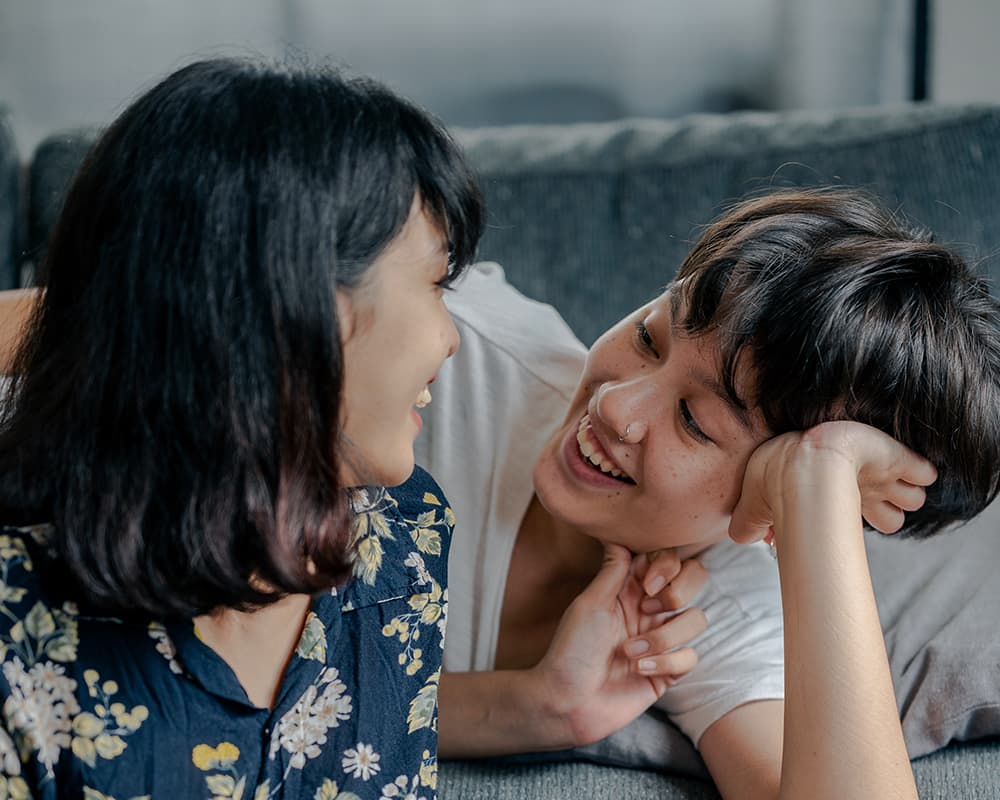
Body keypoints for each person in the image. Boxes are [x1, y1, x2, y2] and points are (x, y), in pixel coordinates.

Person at [0, 56, 500, 799]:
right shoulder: (18, 636)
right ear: (302, 315)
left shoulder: (407, 540)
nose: (450, 339)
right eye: (434, 284)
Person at [414, 189, 1000, 799]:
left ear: (771, 497)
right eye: (648, 337)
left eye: (695, 422)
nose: (614, 406)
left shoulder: (705, 609)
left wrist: (821, 476)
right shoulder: (451, 353)